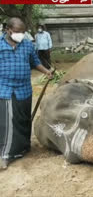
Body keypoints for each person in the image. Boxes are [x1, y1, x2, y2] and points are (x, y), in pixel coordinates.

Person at [0, 17, 52, 170]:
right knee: (9, 122)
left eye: (23, 32)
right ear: (8, 30)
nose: (20, 35)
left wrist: (47, 71)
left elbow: (35, 62)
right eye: (17, 32)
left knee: (23, 120)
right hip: (5, 88)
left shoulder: (27, 45)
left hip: (24, 89)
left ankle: (22, 148)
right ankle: (6, 154)